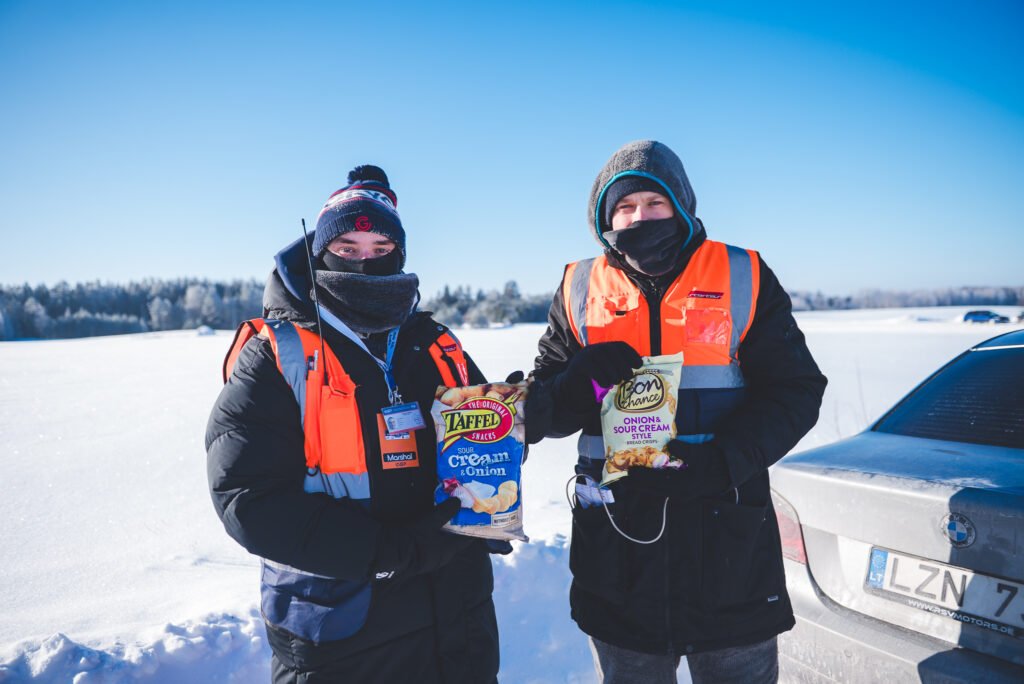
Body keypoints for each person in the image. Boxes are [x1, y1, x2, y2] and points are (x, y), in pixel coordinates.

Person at [529, 140, 827, 683]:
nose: (639, 217)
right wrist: (579, 383)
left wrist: (722, 463)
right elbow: (546, 412)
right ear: (604, 218)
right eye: (624, 207)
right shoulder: (578, 286)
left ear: (681, 204)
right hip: (619, 550)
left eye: (654, 202)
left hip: (727, 545)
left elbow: (796, 390)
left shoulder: (742, 272)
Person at [206, 165, 504, 683]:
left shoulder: (434, 344)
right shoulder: (277, 354)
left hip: (456, 619)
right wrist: (393, 552)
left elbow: (486, 446)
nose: (365, 261)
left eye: (380, 247)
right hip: (340, 632)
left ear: (400, 254)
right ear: (319, 252)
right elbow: (246, 498)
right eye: (347, 247)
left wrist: (502, 456)